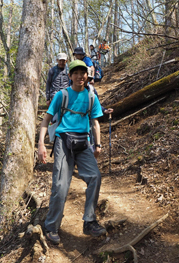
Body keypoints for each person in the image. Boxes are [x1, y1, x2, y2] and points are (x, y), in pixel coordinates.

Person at [38, 60, 106, 245]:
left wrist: (98, 145)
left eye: (83, 73)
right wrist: (41, 145)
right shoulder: (62, 95)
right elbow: (46, 121)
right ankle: (51, 226)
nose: (79, 76)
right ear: (70, 76)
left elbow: (95, 122)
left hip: (83, 143)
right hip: (63, 142)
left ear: (87, 75)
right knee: (60, 185)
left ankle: (89, 221)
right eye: (75, 73)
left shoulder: (91, 97)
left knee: (95, 177)